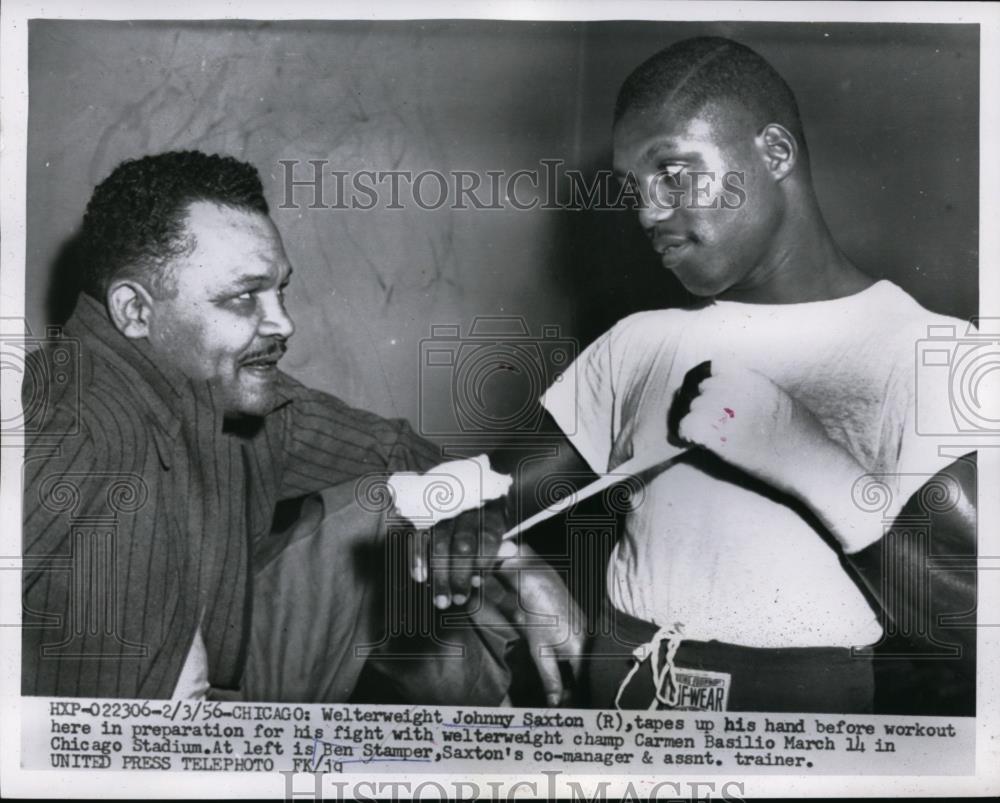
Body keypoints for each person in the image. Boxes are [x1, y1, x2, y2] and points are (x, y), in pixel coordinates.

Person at [419, 36, 977, 713]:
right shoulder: (643, 343)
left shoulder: (927, 350)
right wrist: (473, 537)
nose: (649, 212)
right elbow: (497, 501)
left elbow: (977, 621)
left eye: (674, 174)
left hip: (797, 727)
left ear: (774, 153)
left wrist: (819, 469)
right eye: (635, 190)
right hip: (620, 695)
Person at [21, 150, 580, 702]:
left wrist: (506, 554)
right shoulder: (61, 430)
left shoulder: (223, 388)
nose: (284, 322)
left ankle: (485, 762)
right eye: (244, 297)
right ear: (135, 310)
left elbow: (400, 454)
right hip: (119, 754)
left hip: (225, 671)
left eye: (279, 289)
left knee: (397, 511)